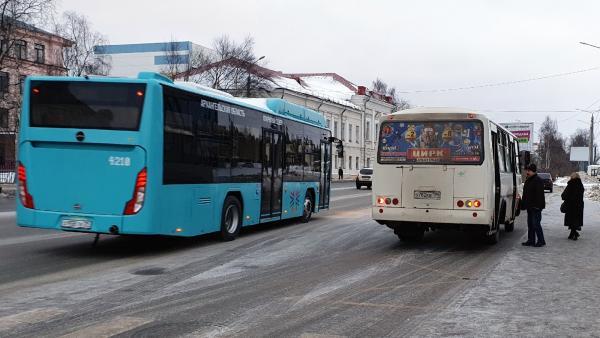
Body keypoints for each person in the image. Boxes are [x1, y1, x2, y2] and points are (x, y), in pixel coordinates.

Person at [521, 163, 546, 247]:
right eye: (527, 170)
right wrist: (523, 204)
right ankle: (531, 240)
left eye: (528, 171)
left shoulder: (537, 180)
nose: (527, 172)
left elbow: (539, 195)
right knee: (530, 224)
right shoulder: (529, 179)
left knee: (536, 224)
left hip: (536, 207)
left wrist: (538, 206)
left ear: (533, 171)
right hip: (530, 206)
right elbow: (526, 194)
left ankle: (541, 240)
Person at [561, 172, 584, 240]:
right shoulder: (580, 185)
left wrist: (566, 198)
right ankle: (572, 233)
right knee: (575, 220)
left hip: (571, 205)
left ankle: (574, 234)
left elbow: (564, 195)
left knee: (571, 220)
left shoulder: (570, 184)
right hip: (579, 206)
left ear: (572, 177)